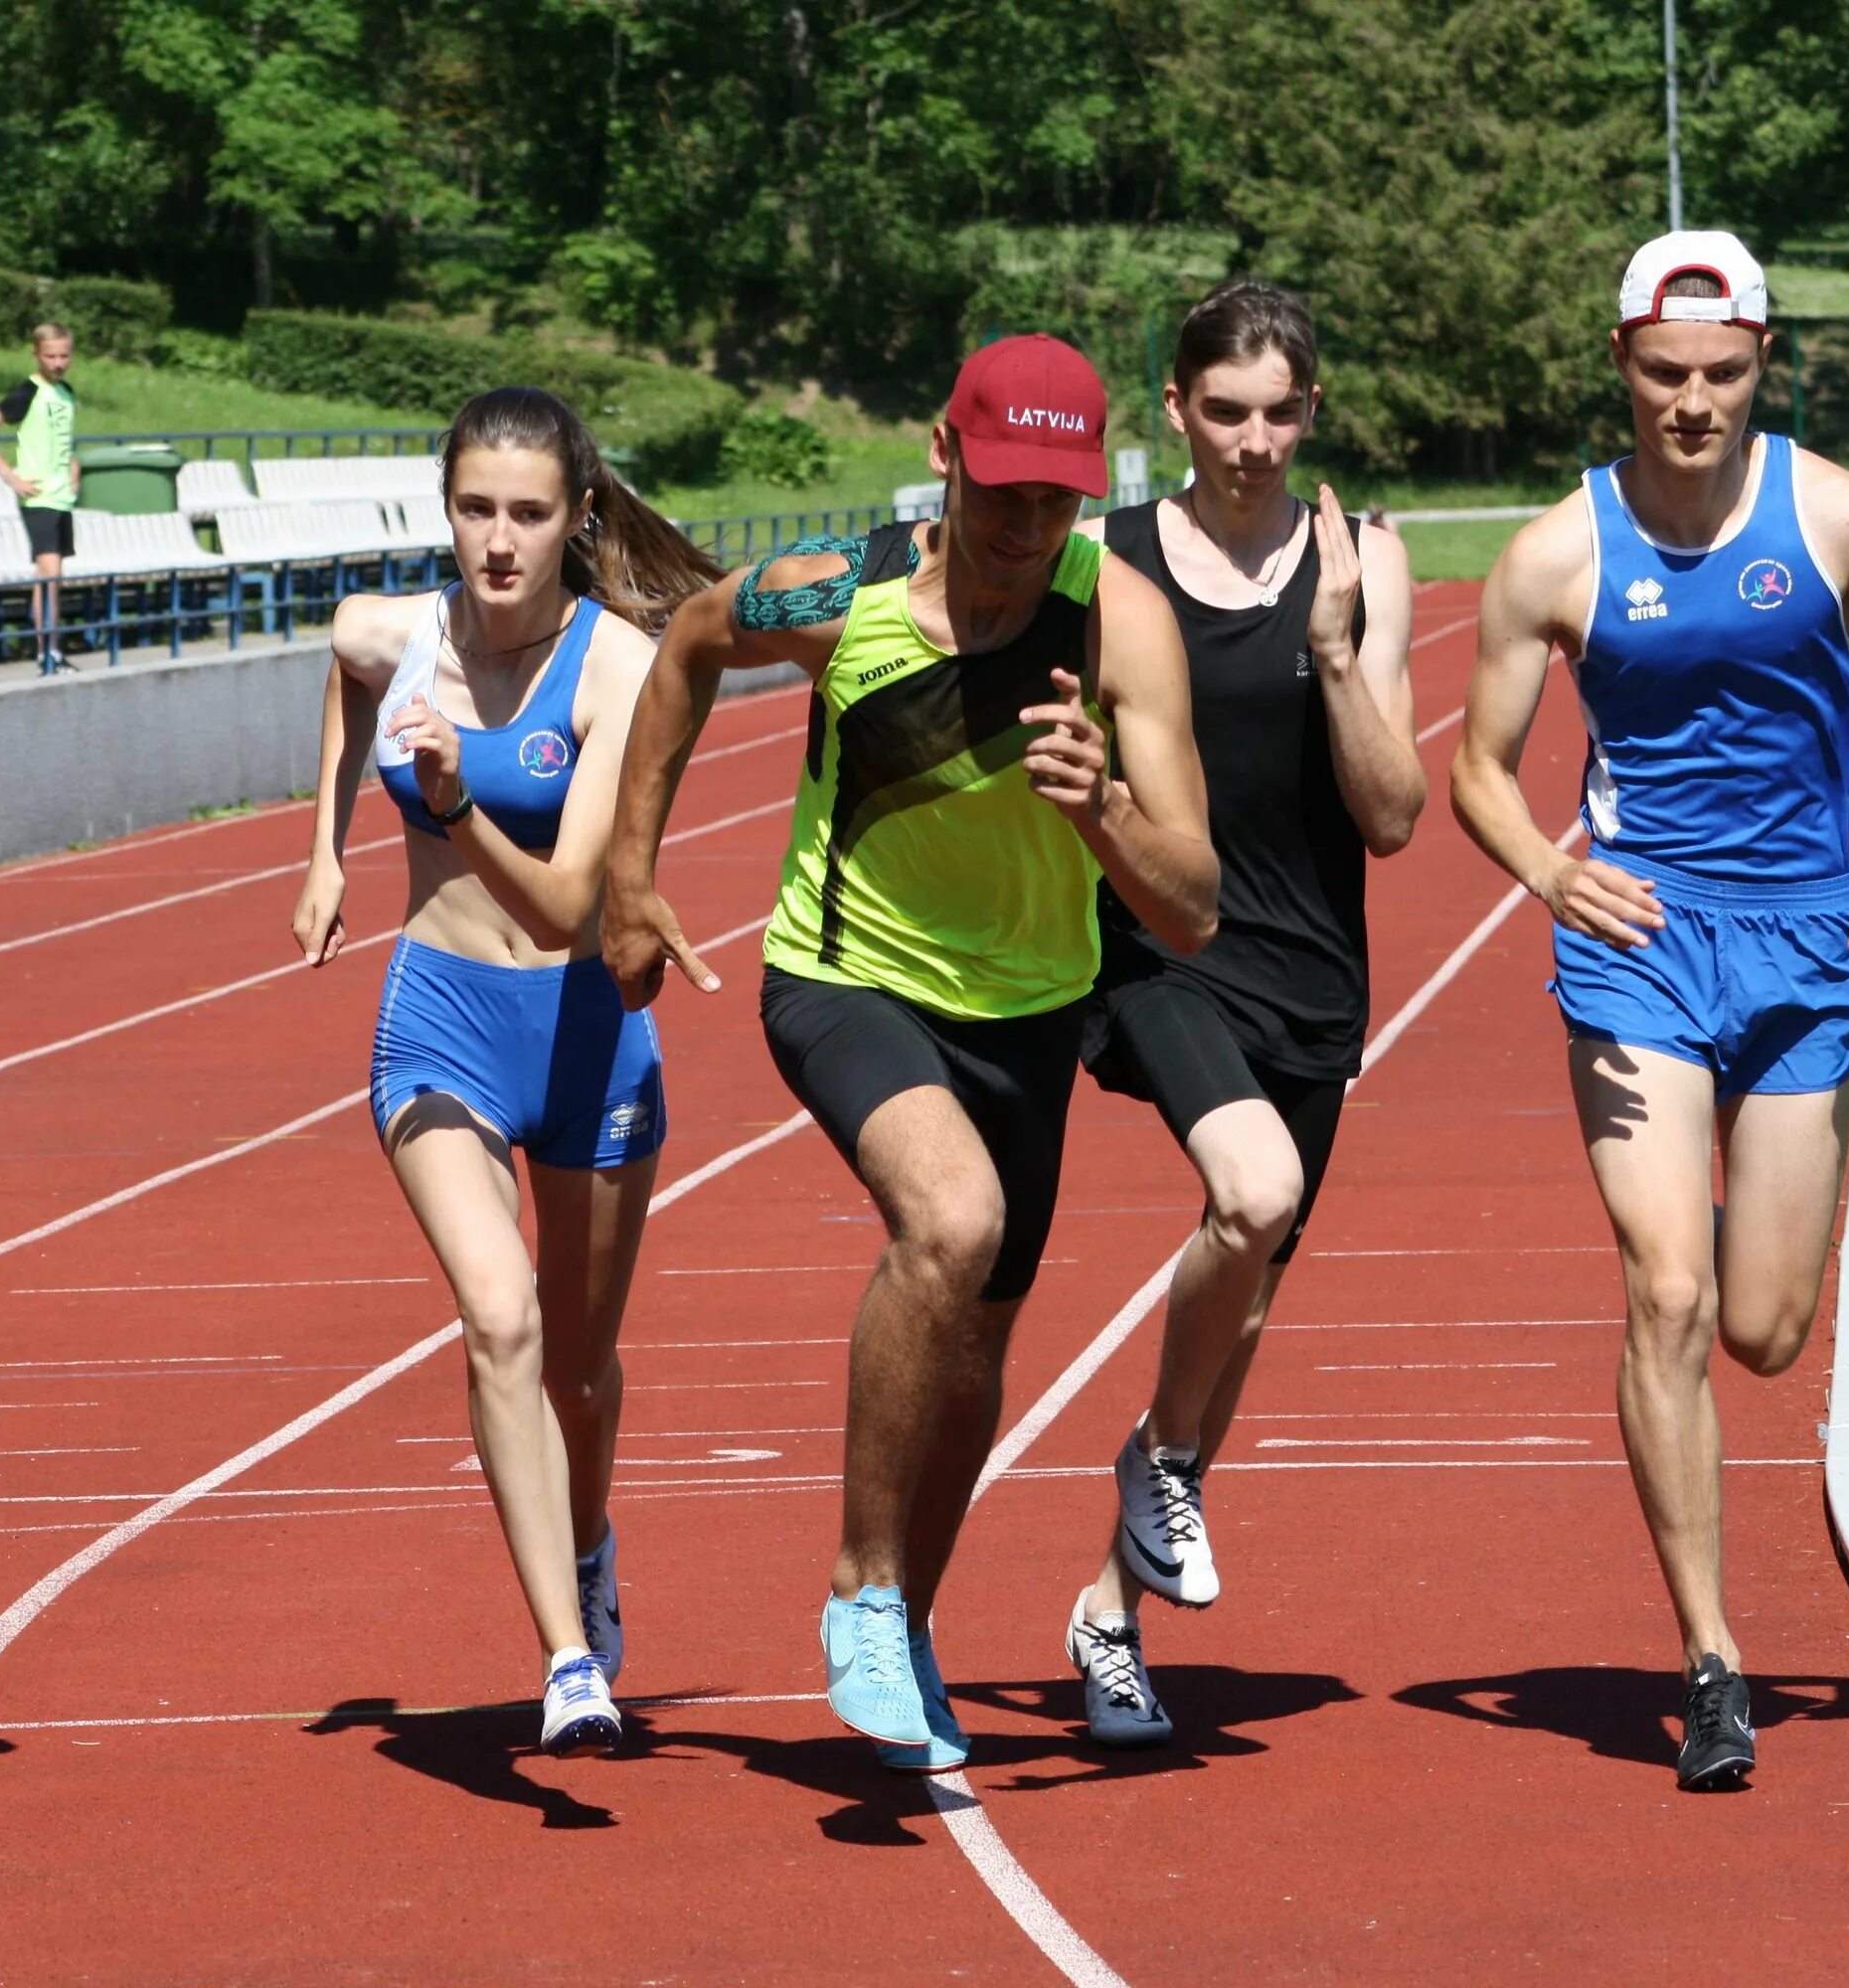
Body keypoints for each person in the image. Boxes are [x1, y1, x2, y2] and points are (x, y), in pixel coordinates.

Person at [599, 334, 1219, 1771]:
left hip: (1031, 1012)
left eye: (1057, 501)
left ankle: (912, 1625)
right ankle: (861, 1593)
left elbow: (1189, 908)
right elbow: (689, 643)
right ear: (947, 453)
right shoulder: (842, 591)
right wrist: (632, 876)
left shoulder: (1120, 625)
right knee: (953, 1221)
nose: (1026, 527)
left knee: (978, 1336)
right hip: (843, 975)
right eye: (1003, 490)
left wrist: (1103, 813)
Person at [1449, 232, 1849, 1791]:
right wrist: (1551, 875)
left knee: (1764, 1330)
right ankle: (1710, 1660)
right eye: (1665, 373)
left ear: (1762, 364)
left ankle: (1715, 1634)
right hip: (1641, 947)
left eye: (1723, 374)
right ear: (1622, 363)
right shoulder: (1557, 554)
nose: (1693, 402)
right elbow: (1479, 763)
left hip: (1814, 945)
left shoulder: (1838, 517)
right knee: (1669, 1295)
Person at [291, 386, 719, 1758]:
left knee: (581, 1375)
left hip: (589, 1033)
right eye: (475, 508)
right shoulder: (395, 635)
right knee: (500, 1318)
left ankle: (588, 1545)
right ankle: (567, 1657)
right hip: (441, 1020)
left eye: (528, 514)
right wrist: (327, 847)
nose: (498, 539)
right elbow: (343, 670)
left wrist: (457, 802)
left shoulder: (615, 670)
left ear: (575, 520)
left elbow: (565, 904)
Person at [1054, 281, 1427, 1748]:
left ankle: (1107, 1615)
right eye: (1226, 412)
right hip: (1158, 949)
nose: (1254, 441)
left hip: (1315, 977)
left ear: (1313, 412)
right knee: (1251, 1192)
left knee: (1250, 1288)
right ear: (1174, 412)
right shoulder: (1109, 561)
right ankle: (1164, 1477)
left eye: (1281, 413)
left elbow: (1393, 815)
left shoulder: (1366, 562)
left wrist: (1333, 647)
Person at [0, 322, 81, 674]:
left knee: (55, 575)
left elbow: (62, 438)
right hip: (39, 496)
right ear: (36, 355)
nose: (58, 363)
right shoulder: (28, 392)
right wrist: (9, 475)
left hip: (62, 496)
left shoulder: (67, 392)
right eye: (50, 356)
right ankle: (46, 651)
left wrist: (74, 466)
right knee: (49, 572)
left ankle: (53, 650)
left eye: (64, 355)